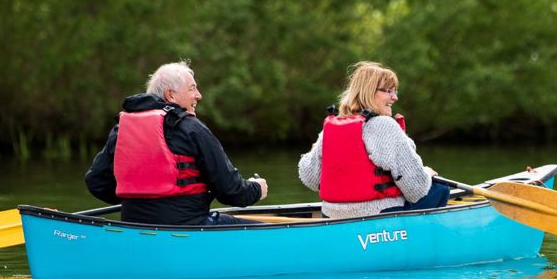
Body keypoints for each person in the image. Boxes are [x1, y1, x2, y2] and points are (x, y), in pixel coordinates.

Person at [85, 61, 269, 225]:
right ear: (170, 95)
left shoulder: (122, 130)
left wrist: (138, 201)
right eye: (192, 88)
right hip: (188, 225)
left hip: (134, 225)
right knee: (262, 230)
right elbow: (231, 191)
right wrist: (256, 188)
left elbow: (96, 182)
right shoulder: (191, 128)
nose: (199, 95)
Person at [298, 61, 449, 219]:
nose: (395, 97)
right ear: (369, 92)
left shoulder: (332, 126)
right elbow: (416, 188)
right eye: (388, 91)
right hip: (376, 216)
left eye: (395, 91)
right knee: (440, 187)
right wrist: (426, 173)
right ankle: (416, 240)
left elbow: (310, 178)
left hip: (330, 215)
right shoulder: (383, 125)